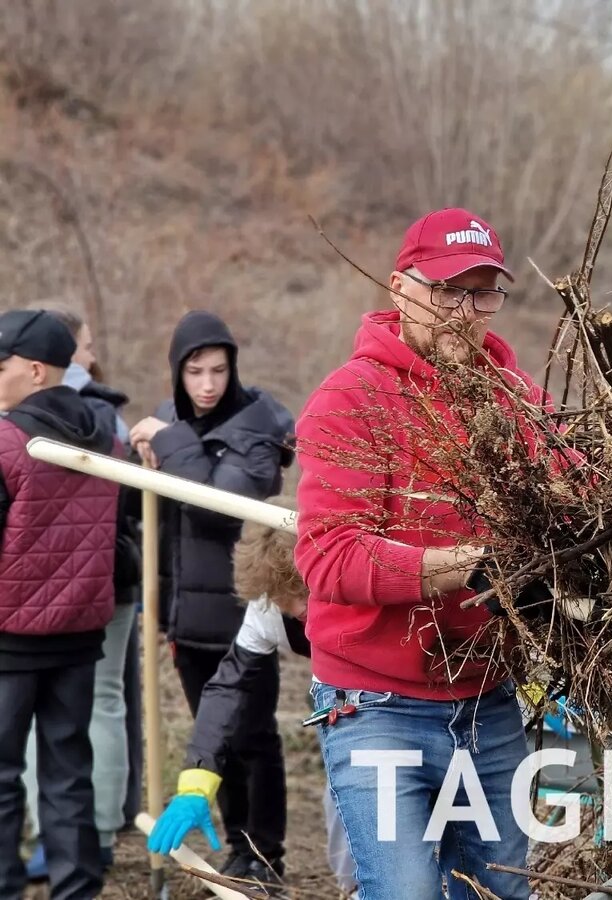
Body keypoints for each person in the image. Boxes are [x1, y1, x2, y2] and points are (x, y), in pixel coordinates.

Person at [295, 208, 571, 900]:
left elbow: (579, 488)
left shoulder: (517, 402)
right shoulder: (352, 399)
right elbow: (329, 556)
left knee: (502, 891)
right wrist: (458, 565)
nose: (463, 311)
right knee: (406, 892)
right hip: (375, 702)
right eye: (446, 290)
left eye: (481, 293)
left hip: (488, 700)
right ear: (399, 287)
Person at [129, 310, 295, 879]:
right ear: (178, 373)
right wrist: (140, 459)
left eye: (217, 370)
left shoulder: (257, 426)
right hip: (186, 617)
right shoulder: (169, 422)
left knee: (253, 739)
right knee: (213, 741)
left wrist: (169, 443)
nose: (206, 384)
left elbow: (219, 504)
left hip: (243, 611)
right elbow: (146, 516)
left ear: (233, 369)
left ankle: (263, 856)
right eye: (194, 371)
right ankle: (235, 849)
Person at [148, 515, 357, 896]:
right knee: (344, 802)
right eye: (284, 602)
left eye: (303, 596)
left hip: (397, 688)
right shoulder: (266, 608)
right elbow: (227, 687)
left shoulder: (353, 584)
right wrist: (196, 782)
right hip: (341, 694)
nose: (296, 610)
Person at [0, 309, 120, 899]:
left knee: (0, 777)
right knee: (68, 773)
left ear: (36, 371)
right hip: (79, 635)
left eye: (2, 367)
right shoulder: (105, 433)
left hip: (10, 640)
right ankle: (77, 889)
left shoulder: (5, 438)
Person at [22, 304, 141, 880]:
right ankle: (92, 835)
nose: (92, 356)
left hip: (36, 599)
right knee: (102, 704)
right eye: (85, 345)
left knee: (40, 714)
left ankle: (54, 835)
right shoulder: (109, 420)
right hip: (105, 585)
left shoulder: (15, 422)